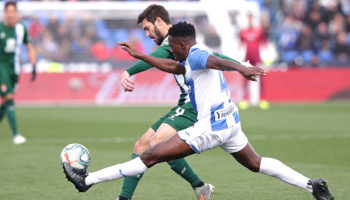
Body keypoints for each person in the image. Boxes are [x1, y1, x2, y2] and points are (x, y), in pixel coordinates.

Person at [63, 22, 333, 200]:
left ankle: (87, 180)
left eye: (172, 46)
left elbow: (213, 61)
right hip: (230, 122)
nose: (171, 51)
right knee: (256, 163)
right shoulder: (189, 56)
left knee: (150, 154)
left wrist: (240, 68)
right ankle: (312, 185)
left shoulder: (195, 54)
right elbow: (175, 68)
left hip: (210, 127)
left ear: (181, 44)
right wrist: (140, 56)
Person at [117, 4, 238, 200]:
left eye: (147, 28)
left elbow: (154, 57)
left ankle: (199, 186)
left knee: (158, 142)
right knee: (141, 146)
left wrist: (129, 70)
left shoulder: (174, 42)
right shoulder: (176, 42)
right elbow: (214, 56)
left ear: (158, 21)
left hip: (193, 105)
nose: (147, 34)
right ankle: (199, 187)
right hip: (183, 104)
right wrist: (240, 66)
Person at [0, 1, 37, 145]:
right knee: (9, 97)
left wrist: (33, 65)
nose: (10, 14)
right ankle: (16, 134)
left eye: (12, 12)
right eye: (8, 11)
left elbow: (29, 46)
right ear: (5, 13)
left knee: (5, 102)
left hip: (14, 69)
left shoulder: (21, 29)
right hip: (1, 67)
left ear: (16, 14)